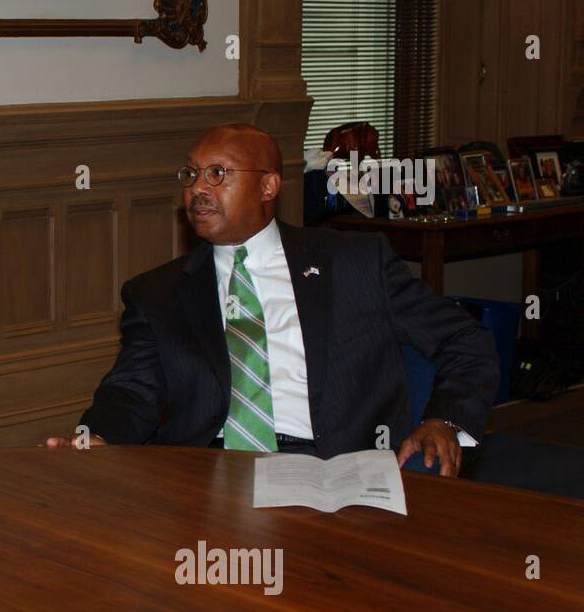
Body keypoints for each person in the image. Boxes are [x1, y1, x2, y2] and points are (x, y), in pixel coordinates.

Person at [48, 123, 499, 476]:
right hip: (205, 474)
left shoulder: (355, 263)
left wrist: (445, 422)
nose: (197, 189)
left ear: (268, 187)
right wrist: (98, 436)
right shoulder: (158, 293)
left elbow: (465, 342)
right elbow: (131, 392)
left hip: (335, 470)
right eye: (191, 174)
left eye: (218, 174)